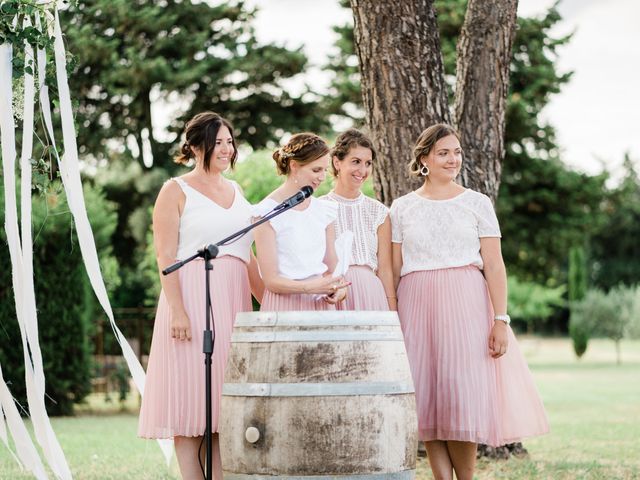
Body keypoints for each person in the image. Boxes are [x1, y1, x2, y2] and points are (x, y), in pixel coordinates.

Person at [390, 124, 549, 480]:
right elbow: (396, 268)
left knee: (462, 396)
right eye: (444, 152)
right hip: (416, 305)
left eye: (457, 152)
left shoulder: (477, 203)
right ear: (424, 159)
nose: (453, 159)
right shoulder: (401, 208)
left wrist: (500, 319)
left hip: (466, 304)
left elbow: (494, 264)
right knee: (427, 396)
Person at [138, 112, 263, 479]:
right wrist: (177, 311)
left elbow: (247, 255)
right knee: (191, 408)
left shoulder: (238, 192)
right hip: (192, 300)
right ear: (194, 147)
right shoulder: (175, 190)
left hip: (233, 305)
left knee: (223, 415)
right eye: (217, 143)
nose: (226, 150)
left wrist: (268, 304)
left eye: (229, 142)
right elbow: (165, 255)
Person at [253, 132, 350, 311]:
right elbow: (270, 280)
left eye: (324, 170)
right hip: (284, 306)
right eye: (316, 170)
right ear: (294, 166)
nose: (322, 177)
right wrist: (308, 288)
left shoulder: (324, 210)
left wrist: (339, 290)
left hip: (320, 305)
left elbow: (333, 267)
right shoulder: (266, 212)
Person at [321, 129, 395, 310]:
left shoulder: (379, 212)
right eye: (356, 162)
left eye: (368, 163)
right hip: (332, 292)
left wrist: (392, 312)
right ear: (337, 162)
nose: (362, 170)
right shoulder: (319, 209)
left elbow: (385, 270)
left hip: (371, 294)